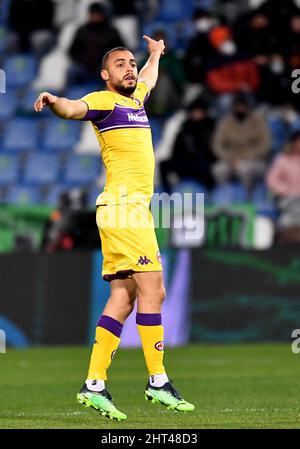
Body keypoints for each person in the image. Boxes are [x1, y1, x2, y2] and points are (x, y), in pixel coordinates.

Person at [34, 36, 194, 421]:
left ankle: (94, 385)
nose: (130, 68)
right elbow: (75, 109)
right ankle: (157, 381)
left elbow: (150, 81)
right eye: (121, 64)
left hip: (127, 211)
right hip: (124, 210)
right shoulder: (104, 102)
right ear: (105, 74)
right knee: (154, 288)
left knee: (123, 298)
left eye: (132, 63)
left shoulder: (136, 100)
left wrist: (154, 55)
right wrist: (55, 102)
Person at [212, 93, 271, 192]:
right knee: (218, 170)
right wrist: (231, 158)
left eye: (243, 106)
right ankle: (226, 194)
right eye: (237, 106)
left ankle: (248, 197)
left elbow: (266, 144)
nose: (240, 108)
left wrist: (245, 157)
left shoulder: (258, 121)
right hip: (231, 158)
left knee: (244, 170)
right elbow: (217, 145)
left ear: (248, 107)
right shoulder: (225, 122)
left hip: (253, 158)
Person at [160, 97, 216, 193]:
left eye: (199, 111)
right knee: (164, 165)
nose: (196, 114)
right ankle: (167, 194)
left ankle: (211, 195)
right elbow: (176, 149)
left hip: (205, 162)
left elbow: (213, 148)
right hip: (187, 162)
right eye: (194, 111)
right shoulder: (185, 127)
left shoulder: (210, 127)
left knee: (209, 171)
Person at [68, 3, 124, 84]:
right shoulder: (81, 31)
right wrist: (81, 60)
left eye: (97, 14)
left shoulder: (112, 32)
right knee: (73, 70)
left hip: (103, 65)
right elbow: (72, 51)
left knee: (110, 72)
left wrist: (107, 61)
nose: (95, 17)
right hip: (83, 65)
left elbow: (120, 51)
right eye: (93, 14)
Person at [266, 131, 300, 240]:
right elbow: (271, 179)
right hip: (288, 198)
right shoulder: (283, 159)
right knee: (288, 221)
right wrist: (285, 189)